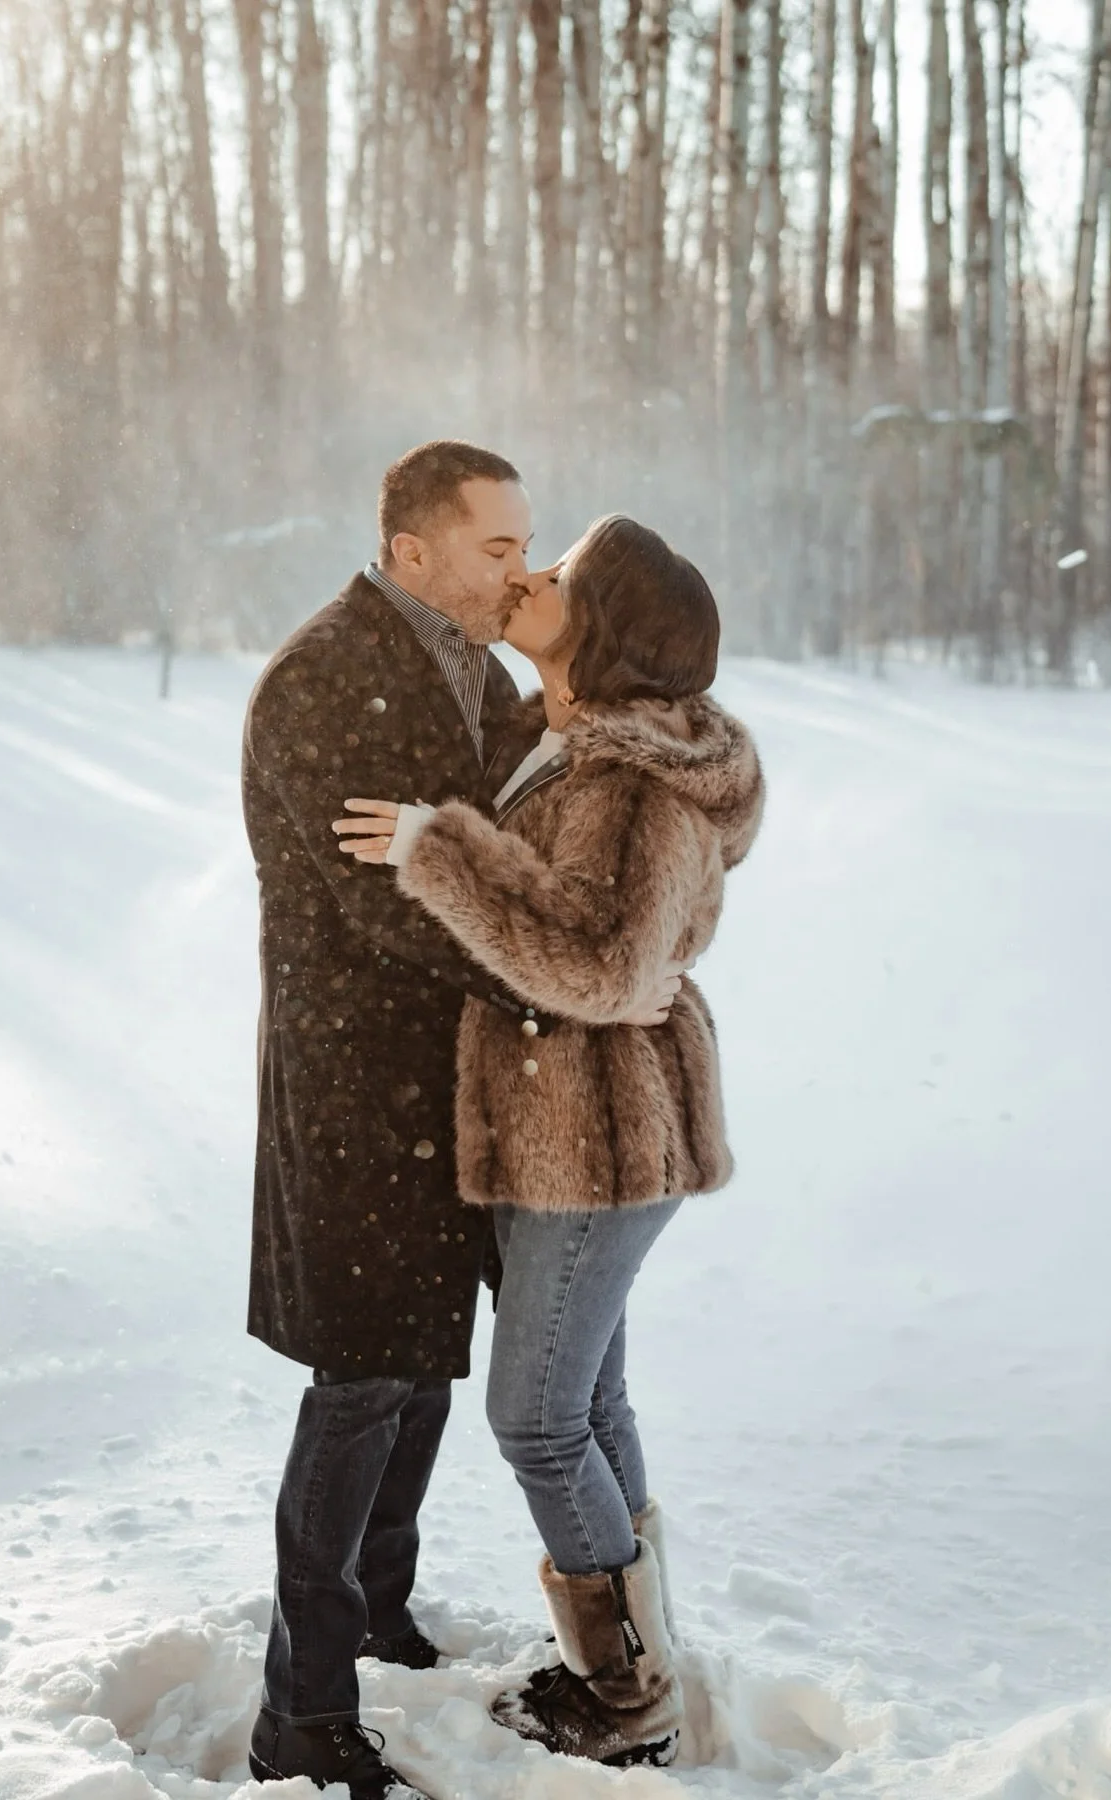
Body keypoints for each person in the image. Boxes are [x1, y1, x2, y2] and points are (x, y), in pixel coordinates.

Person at [241, 449, 680, 1799]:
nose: (519, 569)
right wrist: (584, 970)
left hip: (465, 1096)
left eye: (527, 544)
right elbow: (392, 908)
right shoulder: (324, 678)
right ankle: (300, 1713)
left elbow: (522, 859)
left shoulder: (476, 671)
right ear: (413, 547)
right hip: (360, 1095)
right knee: (364, 1379)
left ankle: (382, 1610)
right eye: (498, 546)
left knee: (422, 1368)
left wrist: (584, 939)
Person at [337, 514, 765, 1771]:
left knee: (534, 1418)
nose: (531, 577)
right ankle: (645, 1663)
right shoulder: (564, 743)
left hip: (602, 1138)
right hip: (563, 1127)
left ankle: (626, 1699)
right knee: (591, 1399)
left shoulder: (635, 785)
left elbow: (600, 961)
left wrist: (439, 850)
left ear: (604, 628)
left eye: (563, 575)